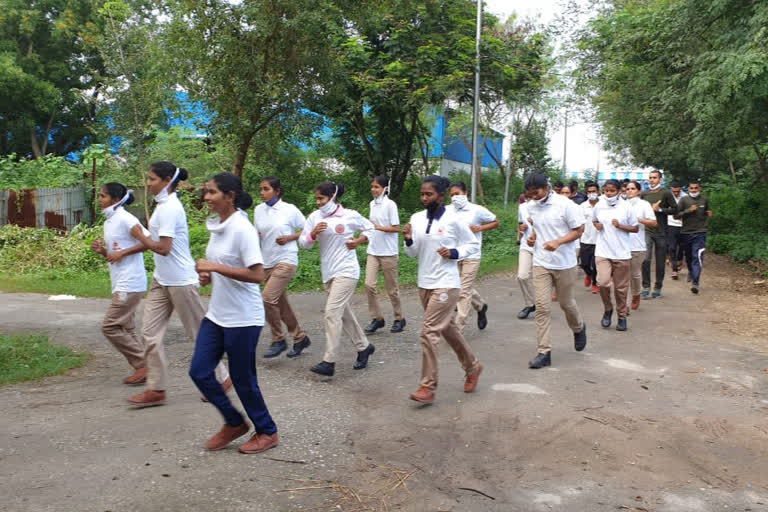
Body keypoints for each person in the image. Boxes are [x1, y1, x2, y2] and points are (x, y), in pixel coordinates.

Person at [127, 162, 231, 408]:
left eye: (152, 179)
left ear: (166, 181)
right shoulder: (162, 205)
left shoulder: (171, 207)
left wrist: (140, 236)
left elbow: (164, 248)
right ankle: (156, 389)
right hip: (162, 280)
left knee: (199, 334)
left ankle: (222, 379)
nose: (148, 183)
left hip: (182, 281)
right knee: (149, 334)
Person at [189, 173, 278, 454]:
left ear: (230, 196)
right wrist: (210, 276)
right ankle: (234, 423)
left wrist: (216, 268)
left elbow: (257, 274)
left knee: (242, 379)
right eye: (206, 192)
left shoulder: (242, 228)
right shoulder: (219, 225)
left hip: (243, 318)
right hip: (217, 315)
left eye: (212, 192)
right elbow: (223, 266)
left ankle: (267, 431)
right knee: (200, 372)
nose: (206, 198)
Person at [403, 175, 483, 404]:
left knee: (429, 331)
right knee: (448, 329)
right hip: (424, 282)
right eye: (422, 194)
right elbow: (413, 253)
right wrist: (408, 239)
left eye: (428, 194)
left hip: (447, 283)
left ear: (440, 195)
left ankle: (427, 387)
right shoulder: (417, 219)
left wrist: (455, 253)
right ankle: (473, 366)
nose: (423, 198)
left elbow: (472, 244)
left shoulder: (454, 219)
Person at [299, 182, 376, 377]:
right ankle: (364, 346)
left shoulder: (349, 215)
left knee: (331, 313)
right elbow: (303, 243)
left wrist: (359, 241)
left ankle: (329, 361)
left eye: (321, 199)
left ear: (332, 197)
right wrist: (313, 234)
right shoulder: (314, 218)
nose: (318, 203)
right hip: (329, 272)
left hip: (347, 270)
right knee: (343, 314)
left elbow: (371, 227)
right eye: (316, 199)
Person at [524, 173, 587, 369]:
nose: (534, 196)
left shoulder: (565, 205)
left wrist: (558, 242)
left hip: (565, 263)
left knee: (566, 303)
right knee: (542, 306)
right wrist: (533, 238)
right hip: (541, 262)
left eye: (537, 192)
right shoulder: (530, 206)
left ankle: (578, 327)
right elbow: (538, 229)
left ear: (547, 187)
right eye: (530, 193)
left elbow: (579, 229)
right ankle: (544, 352)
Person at [91, 183, 148, 385]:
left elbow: (148, 242)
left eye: (103, 196)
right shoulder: (110, 221)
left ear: (115, 199)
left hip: (130, 282)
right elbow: (115, 254)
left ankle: (144, 364)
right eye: (100, 195)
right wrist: (103, 252)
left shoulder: (126, 218)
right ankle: (143, 369)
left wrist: (122, 253)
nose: (99, 199)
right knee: (126, 326)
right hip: (121, 281)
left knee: (110, 326)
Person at [253, 177, 311, 359]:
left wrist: (289, 238)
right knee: (279, 302)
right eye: (261, 189)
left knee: (267, 299)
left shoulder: (289, 210)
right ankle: (300, 337)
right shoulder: (258, 210)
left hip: (286, 259)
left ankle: (278, 339)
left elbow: (308, 229)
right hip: (267, 261)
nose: (262, 192)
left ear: (277, 191)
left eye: (266, 189)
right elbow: (257, 235)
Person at [447, 182, 499, 332]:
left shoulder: (476, 210)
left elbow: (496, 222)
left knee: (463, 291)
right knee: (458, 288)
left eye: (457, 193)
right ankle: (481, 306)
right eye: (451, 195)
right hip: (455, 254)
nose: (454, 197)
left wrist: (480, 228)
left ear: (465, 193)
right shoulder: (448, 210)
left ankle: (459, 327)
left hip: (472, 254)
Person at [592, 180, 638, 332]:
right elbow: (595, 220)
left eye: (612, 191)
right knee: (603, 283)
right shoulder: (599, 205)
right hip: (603, 251)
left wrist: (620, 226)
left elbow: (635, 228)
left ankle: (622, 317)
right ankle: (608, 309)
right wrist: (597, 225)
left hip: (621, 253)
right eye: (606, 191)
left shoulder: (626, 207)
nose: (609, 194)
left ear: (619, 191)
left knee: (620, 288)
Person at [363, 176, 405, 335]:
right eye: (372, 186)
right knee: (369, 284)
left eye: (377, 187)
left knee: (392, 289)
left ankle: (399, 318)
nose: (373, 190)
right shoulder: (372, 204)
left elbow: (396, 228)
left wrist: (378, 227)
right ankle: (377, 318)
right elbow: (370, 226)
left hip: (388, 252)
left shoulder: (390, 205)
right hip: (373, 250)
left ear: (385, 188)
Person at [640, 170, 678, 298]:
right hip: (647, 230)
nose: (652, 180)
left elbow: (675, 209)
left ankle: (658, 287)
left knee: (660, 261)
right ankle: (645, 286)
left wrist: (660, 209)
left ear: (660, 179)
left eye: (655, 178)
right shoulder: (643, 194)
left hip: (662, 231)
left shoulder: (666, 193)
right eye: (650, 177)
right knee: (645, 259)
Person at [675, 180, 712, 294]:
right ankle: (691, 271)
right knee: (690, 257)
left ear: (699, 188)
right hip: (686, 233)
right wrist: (688, 211)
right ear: (688, 189)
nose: (694, 190)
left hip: (700, 233)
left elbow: (707, 211)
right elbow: (676, 215)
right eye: (691, 188)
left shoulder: (704, 199)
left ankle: (695, 283)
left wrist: (708, 213)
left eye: (696, 188)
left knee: (697, 257)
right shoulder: (684, 200)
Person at [625, 181, 657, 311]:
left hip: (637, 246)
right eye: (627, 189)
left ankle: (636, 294)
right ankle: (625, 305)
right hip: (622, 246)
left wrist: (639, 220)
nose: (629, 191)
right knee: (623, 277)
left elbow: (654, 223)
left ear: (638, 191)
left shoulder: (644, 205)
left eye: (632, 189)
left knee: (634, 274)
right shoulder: (622, 205)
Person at [516, 190, 536, 319]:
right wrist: (521, 230)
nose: (529, 200)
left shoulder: (547, 207)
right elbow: (520, 224)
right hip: (526, 245)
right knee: (522, 276)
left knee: (542, 279)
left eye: (532, 196)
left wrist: (536, 222)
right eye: (527, 197)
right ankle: (530, 303)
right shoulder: (522, 207)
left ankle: (543, 305)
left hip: (544, 247)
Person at [579, 181, 600, 294]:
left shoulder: (603, 205)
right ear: (586, 193)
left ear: (598, 192)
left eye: (594, 191)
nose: (592, 193)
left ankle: (595, 283)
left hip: (600, 240)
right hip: (585, 239)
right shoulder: (582, 206)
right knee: (585, 263)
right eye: (589, 192)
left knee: (595, 264)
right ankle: (588, 274)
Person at [665, 180, 686, 280]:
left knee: (681, 247)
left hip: (683, 226)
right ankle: (674, 270)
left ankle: (680, 259)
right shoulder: (667, 196)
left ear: (681, 189)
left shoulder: (686, 197)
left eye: (678, 191)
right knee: (672, 247)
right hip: (670, 225)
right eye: (674, 191)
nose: (676, 193)